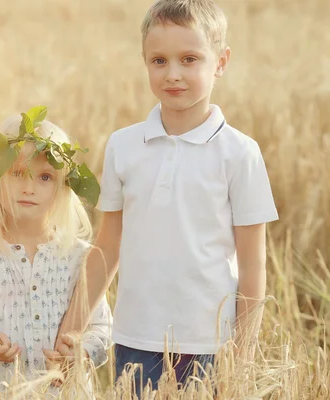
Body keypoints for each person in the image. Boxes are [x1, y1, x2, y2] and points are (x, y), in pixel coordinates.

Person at [50, 0, 279, 396]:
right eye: (159, 61)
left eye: (189, 59)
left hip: (210, 343)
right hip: (136, 338)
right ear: (144, 61)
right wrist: (70, 330)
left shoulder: (239, 153)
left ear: (221, 61)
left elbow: (252, 266)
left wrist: (243, 356)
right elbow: (107, 246)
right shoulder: (124, 146)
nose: (173, 74)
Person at [0, 109, 113, 399]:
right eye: (17, 173)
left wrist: (81, 350)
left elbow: (102, 328)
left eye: (44, 177)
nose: (29, 188)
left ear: (62, 188)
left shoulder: (80, 258)